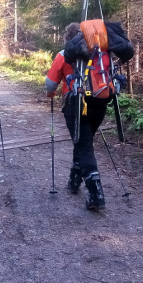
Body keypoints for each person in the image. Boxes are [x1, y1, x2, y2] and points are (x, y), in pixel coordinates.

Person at [45, 23, 112, 210]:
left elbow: (50, 84)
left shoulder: (64, 54)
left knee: (83, 145)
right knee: (83, 141)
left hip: (76, 104)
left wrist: (51, 94)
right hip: (100, 102)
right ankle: (74, 181)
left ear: (68, 38)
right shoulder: (99, 53)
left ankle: (96, 193)